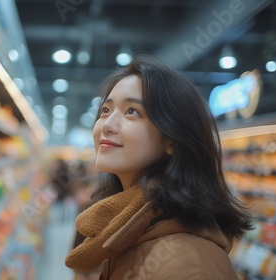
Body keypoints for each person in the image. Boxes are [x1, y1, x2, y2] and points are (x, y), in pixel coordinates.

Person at [65, 55, 253, 279]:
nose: (107, 125)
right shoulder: (123, 229)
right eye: (105, 110)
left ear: (171, 139)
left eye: (131, 111)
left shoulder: (190, 265)